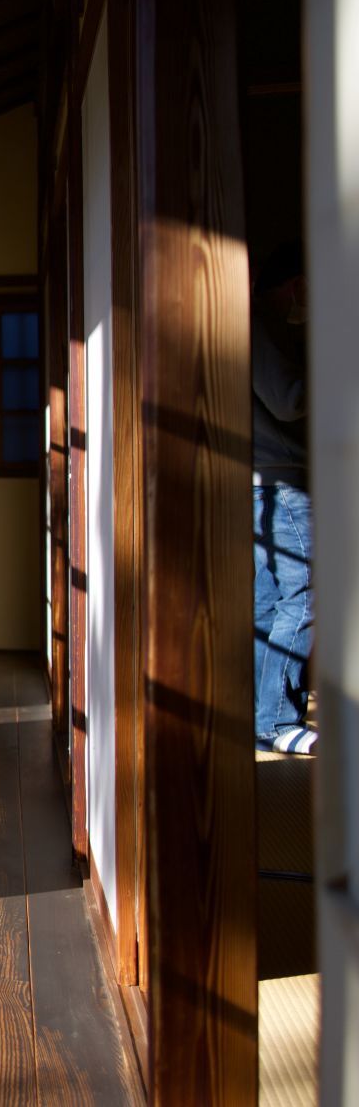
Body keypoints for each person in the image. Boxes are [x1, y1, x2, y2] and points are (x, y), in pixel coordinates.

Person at [252, 243, 314, 752]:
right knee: (304, 592)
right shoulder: (263, 327)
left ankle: (265, 714)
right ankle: (277, 720)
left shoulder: (256, 324)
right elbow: (288, 400)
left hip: (263, 479)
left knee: (271, 601)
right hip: (282, 481)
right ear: (296, 285)